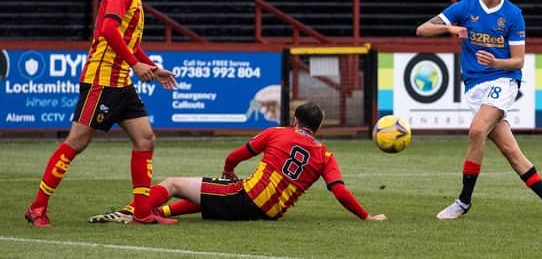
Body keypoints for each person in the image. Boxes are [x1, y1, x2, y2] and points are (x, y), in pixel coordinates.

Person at [25, 0, 178, 227]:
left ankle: (142, 212)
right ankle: (37, 207)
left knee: (146, 139)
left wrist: (153, 69)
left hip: (121, 82)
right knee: (77, 142)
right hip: (102, 80)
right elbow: (108, 30)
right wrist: (136, 65)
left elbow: (129, 42)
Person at [415, 0, 542, 220]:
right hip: (475, 87)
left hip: (504, 80)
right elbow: (422, 30)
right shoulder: (465, 8)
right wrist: (451, 29)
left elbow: (518, 61)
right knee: (512, 153)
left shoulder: (512, 15)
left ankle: (463, 202)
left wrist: (496, 60)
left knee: (476, 130)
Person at [87, 102, 387, 224]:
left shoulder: (277, 133)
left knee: (174, 183)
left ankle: (135, 212)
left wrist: (229, 171)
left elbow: (234, 157)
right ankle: (156, 210)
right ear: (318, 128)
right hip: (269, 213)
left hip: (246, 198)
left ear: (295, 120)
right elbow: (340, 192)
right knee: (208, 197)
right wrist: (366, 216)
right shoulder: (325, 155)